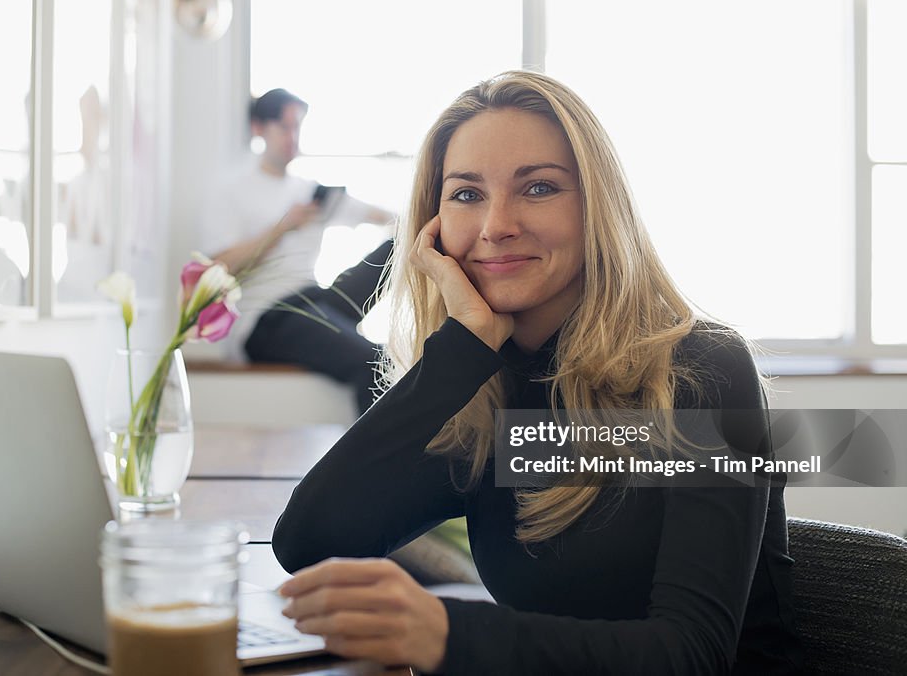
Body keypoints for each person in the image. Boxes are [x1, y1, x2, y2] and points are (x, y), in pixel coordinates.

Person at [271, 71, 804, 674]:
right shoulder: (485, 391)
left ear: (596, 209)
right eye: (467, 195)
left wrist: (448, 632)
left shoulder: (701, 370)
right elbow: (307, 543)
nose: (496, 225)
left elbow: (692, 657)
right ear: (433, 227)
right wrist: (459, 352)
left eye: (540, 187)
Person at [200, 88, 392, 414]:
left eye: (298, 128)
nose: (293, 137)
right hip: (267, 319)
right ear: (258, 128)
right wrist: (282, 228)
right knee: (374, 361)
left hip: (315, 301)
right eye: (284, 127)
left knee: (398, 246)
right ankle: (376, 462)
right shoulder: (230, 192)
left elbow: (378, 214)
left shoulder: (309, 192)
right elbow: (217, 268)